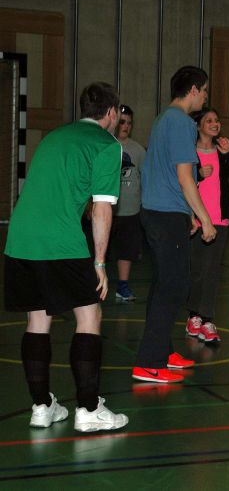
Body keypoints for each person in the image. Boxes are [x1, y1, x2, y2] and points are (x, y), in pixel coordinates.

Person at [3, 82, 129, 431]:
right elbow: (103, 209)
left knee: (38, 320)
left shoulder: (55, 136)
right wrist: (100, 262)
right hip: (61, 242)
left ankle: (42, 407)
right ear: (110, 113)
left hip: (20, 238)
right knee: (90, 316)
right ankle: (89, 410)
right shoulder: (107, 145)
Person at [133, 66, 216, 383]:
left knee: (162, 284)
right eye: (205, 91)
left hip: (157, 212)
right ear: (194, 89)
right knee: (174, 285)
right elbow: (184, 177)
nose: (205, 97)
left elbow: (163, 173)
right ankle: (149, 362)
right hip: (165, 216)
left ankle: (163, 351)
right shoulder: (182, 123)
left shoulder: (162, 119)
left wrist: (189, 215)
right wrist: (206, 220)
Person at [185, 107, 229, 343]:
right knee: (197, 270)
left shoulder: (223, 152)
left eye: (217, 120)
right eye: (209, 120)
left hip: (219, 221)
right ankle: (194, 316)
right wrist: (198, 174)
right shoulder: (189, 153)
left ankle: (207, 319)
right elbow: (179, 182)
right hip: (195, 221)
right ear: (199, 125)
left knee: (212, 271)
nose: (214, 124)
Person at [111, 104, 146, 302]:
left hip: (130, 212)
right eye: (122, 122)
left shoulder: (138, 150)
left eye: (129, 123)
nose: (125, 126)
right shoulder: (105, 145)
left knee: (126, 249)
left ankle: (122, 286)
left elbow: (146, 178)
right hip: (107, 210)